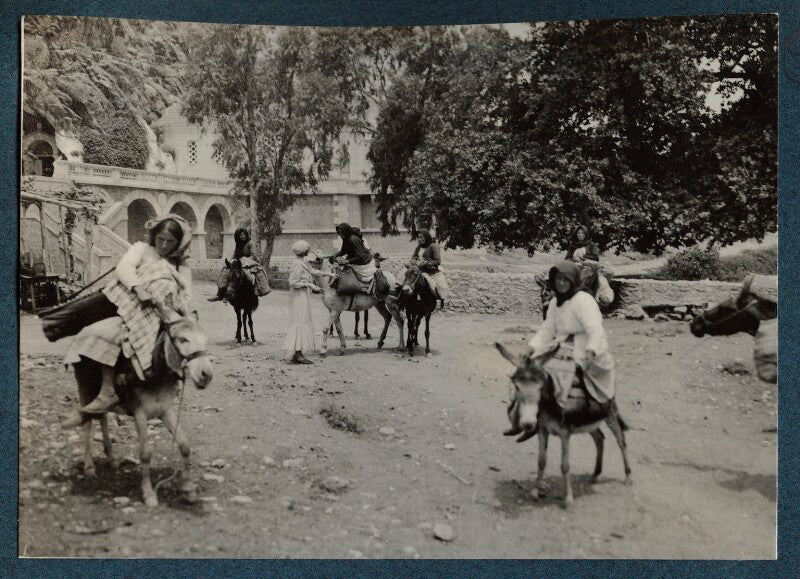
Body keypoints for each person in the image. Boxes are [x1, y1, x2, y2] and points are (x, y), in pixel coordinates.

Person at [62, 215, 194, 425]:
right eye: (161, 239)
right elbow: (124, 268)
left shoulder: (180, 264)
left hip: (165, 315)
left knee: (187, 347)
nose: (165, 245)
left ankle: (167, 389)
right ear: (154, 236)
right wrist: (139, 288)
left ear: (178, 244)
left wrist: (177, 310)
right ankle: (107, 390)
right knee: (110, 334)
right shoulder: (141, 249)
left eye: (171, 242)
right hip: (133, 306)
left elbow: (186, 294)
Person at [528, 260, 615, 407]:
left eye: (565, 279)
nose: (561, 283)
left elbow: (595, 329)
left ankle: (567, 409)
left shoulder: (584, 300)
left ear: (573, 281)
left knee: (561, 370)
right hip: (562, 343)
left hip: (584, 344)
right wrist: (531, 347)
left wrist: (592, 349)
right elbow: (548, 329)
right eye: (558, 279)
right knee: (534, 366)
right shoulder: (555, 302)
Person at [285, 240, 337, 364]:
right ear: (304, 251)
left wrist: (328, 273)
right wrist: (309, 285)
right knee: (300, 321)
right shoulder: (297, 264)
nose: (309, 251)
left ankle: (298, 352)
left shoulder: (301, 262)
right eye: (308, 249)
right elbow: (292, 282)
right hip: (298, 297)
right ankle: (298, 354)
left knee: (303, 321)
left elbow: (313, 271)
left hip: (303, 295)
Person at [208, 228, 256, 302]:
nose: (242, 236)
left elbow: (253, 255)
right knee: (225, 273)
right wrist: (229, 262)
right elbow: (234, 254)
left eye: (244, 234)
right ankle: (220, 294)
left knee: (249, 277)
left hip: (248, 263)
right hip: (237, 264)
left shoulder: (250, 243)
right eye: (240, 235)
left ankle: (253, 294)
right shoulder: (238, 244)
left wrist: (245, 260)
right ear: (238, 236)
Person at [410, 229, 449, 307]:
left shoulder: (433, 246)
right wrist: (413, 260)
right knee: (406, 278)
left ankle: (438, 301)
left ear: (426, 237)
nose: (420, 239)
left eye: (422, 237)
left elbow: (438, 261)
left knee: (439, 287)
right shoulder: (418, 247)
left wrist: (426, 263)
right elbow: (414, 257)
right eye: (418, 237)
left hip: (431, 271)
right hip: (419, 270)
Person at [333, 223, 376, 292]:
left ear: (346, 231)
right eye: (339, 233)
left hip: (362, 263)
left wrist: (346, 261)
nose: (340, 235)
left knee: (344, 270)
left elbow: (360, 256)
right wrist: (334, 255)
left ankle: (354, 290)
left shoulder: (353, 239)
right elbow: (343, 251)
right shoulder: (346, 239)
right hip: (354, 261)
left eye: (341, 233)